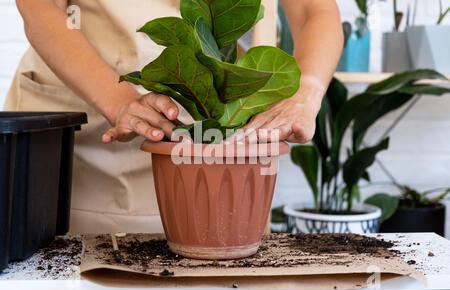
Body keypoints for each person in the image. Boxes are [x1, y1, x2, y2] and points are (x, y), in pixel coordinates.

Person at [5, 0, 343, 234]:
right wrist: (118, 100)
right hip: (79, 132)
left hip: (213, 143)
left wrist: (305, 93)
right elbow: (40, 7)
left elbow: (316, 10)